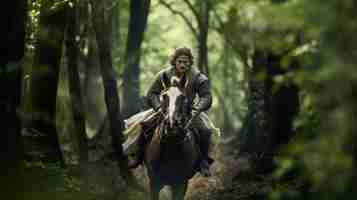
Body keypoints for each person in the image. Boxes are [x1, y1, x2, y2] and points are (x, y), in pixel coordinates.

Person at [128, 47, 213, 177]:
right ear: (175, 62)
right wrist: (158, 108)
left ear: (190, 62)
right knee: (144, 125)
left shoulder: (198, 77)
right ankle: (138, 158)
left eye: (186, 62)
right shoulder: (163, 75)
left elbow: (206, 96)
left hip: (189, 111)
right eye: (180, 61)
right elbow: (151, 94)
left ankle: (203, 162)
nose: (183, 65)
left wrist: (197, 109)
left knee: (205, 130)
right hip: (165, 109)